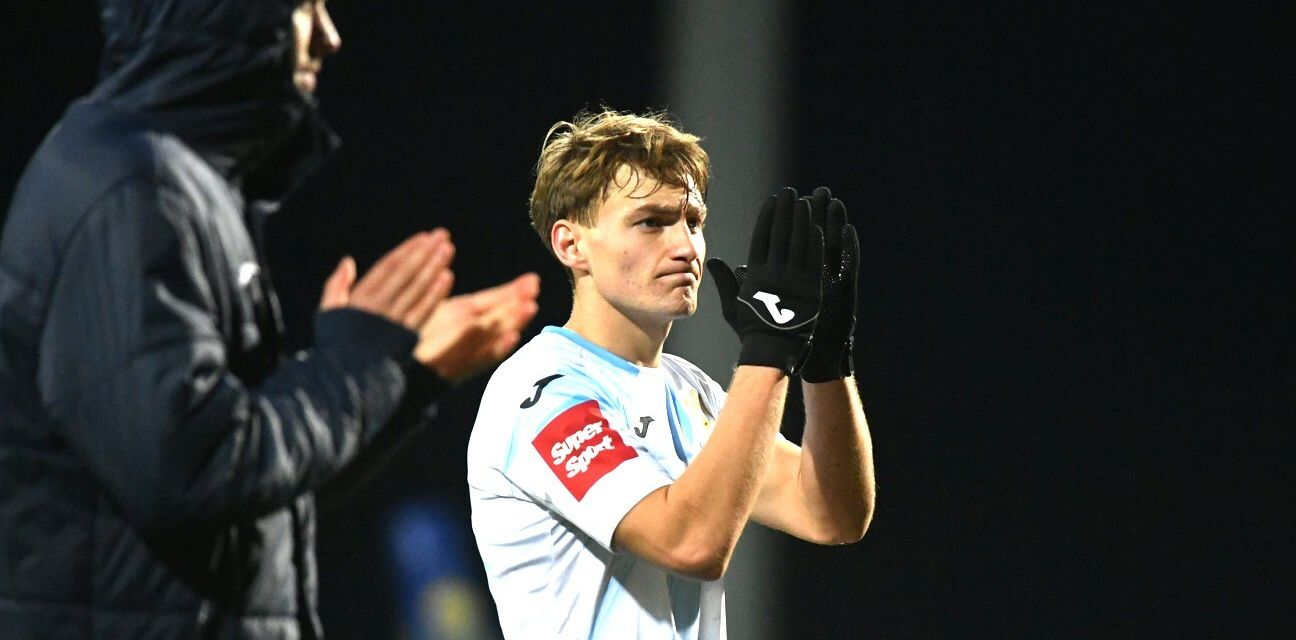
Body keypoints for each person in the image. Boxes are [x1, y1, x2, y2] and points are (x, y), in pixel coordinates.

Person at [0, 0, 538, 638]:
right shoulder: (134, 189)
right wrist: (354, 367)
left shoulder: (172, 179)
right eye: (304, 7)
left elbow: (250, 502)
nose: (329, 37)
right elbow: (195, 469)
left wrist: (400, 378)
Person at [466, 110, 875, 639]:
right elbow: (690, 544)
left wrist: (824, 364)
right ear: (571, 245)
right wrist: (770, 350)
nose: (685, 246)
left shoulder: (691, 391)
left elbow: (831, 513)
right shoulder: (542, 392)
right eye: (651, 223)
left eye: (693, 222)